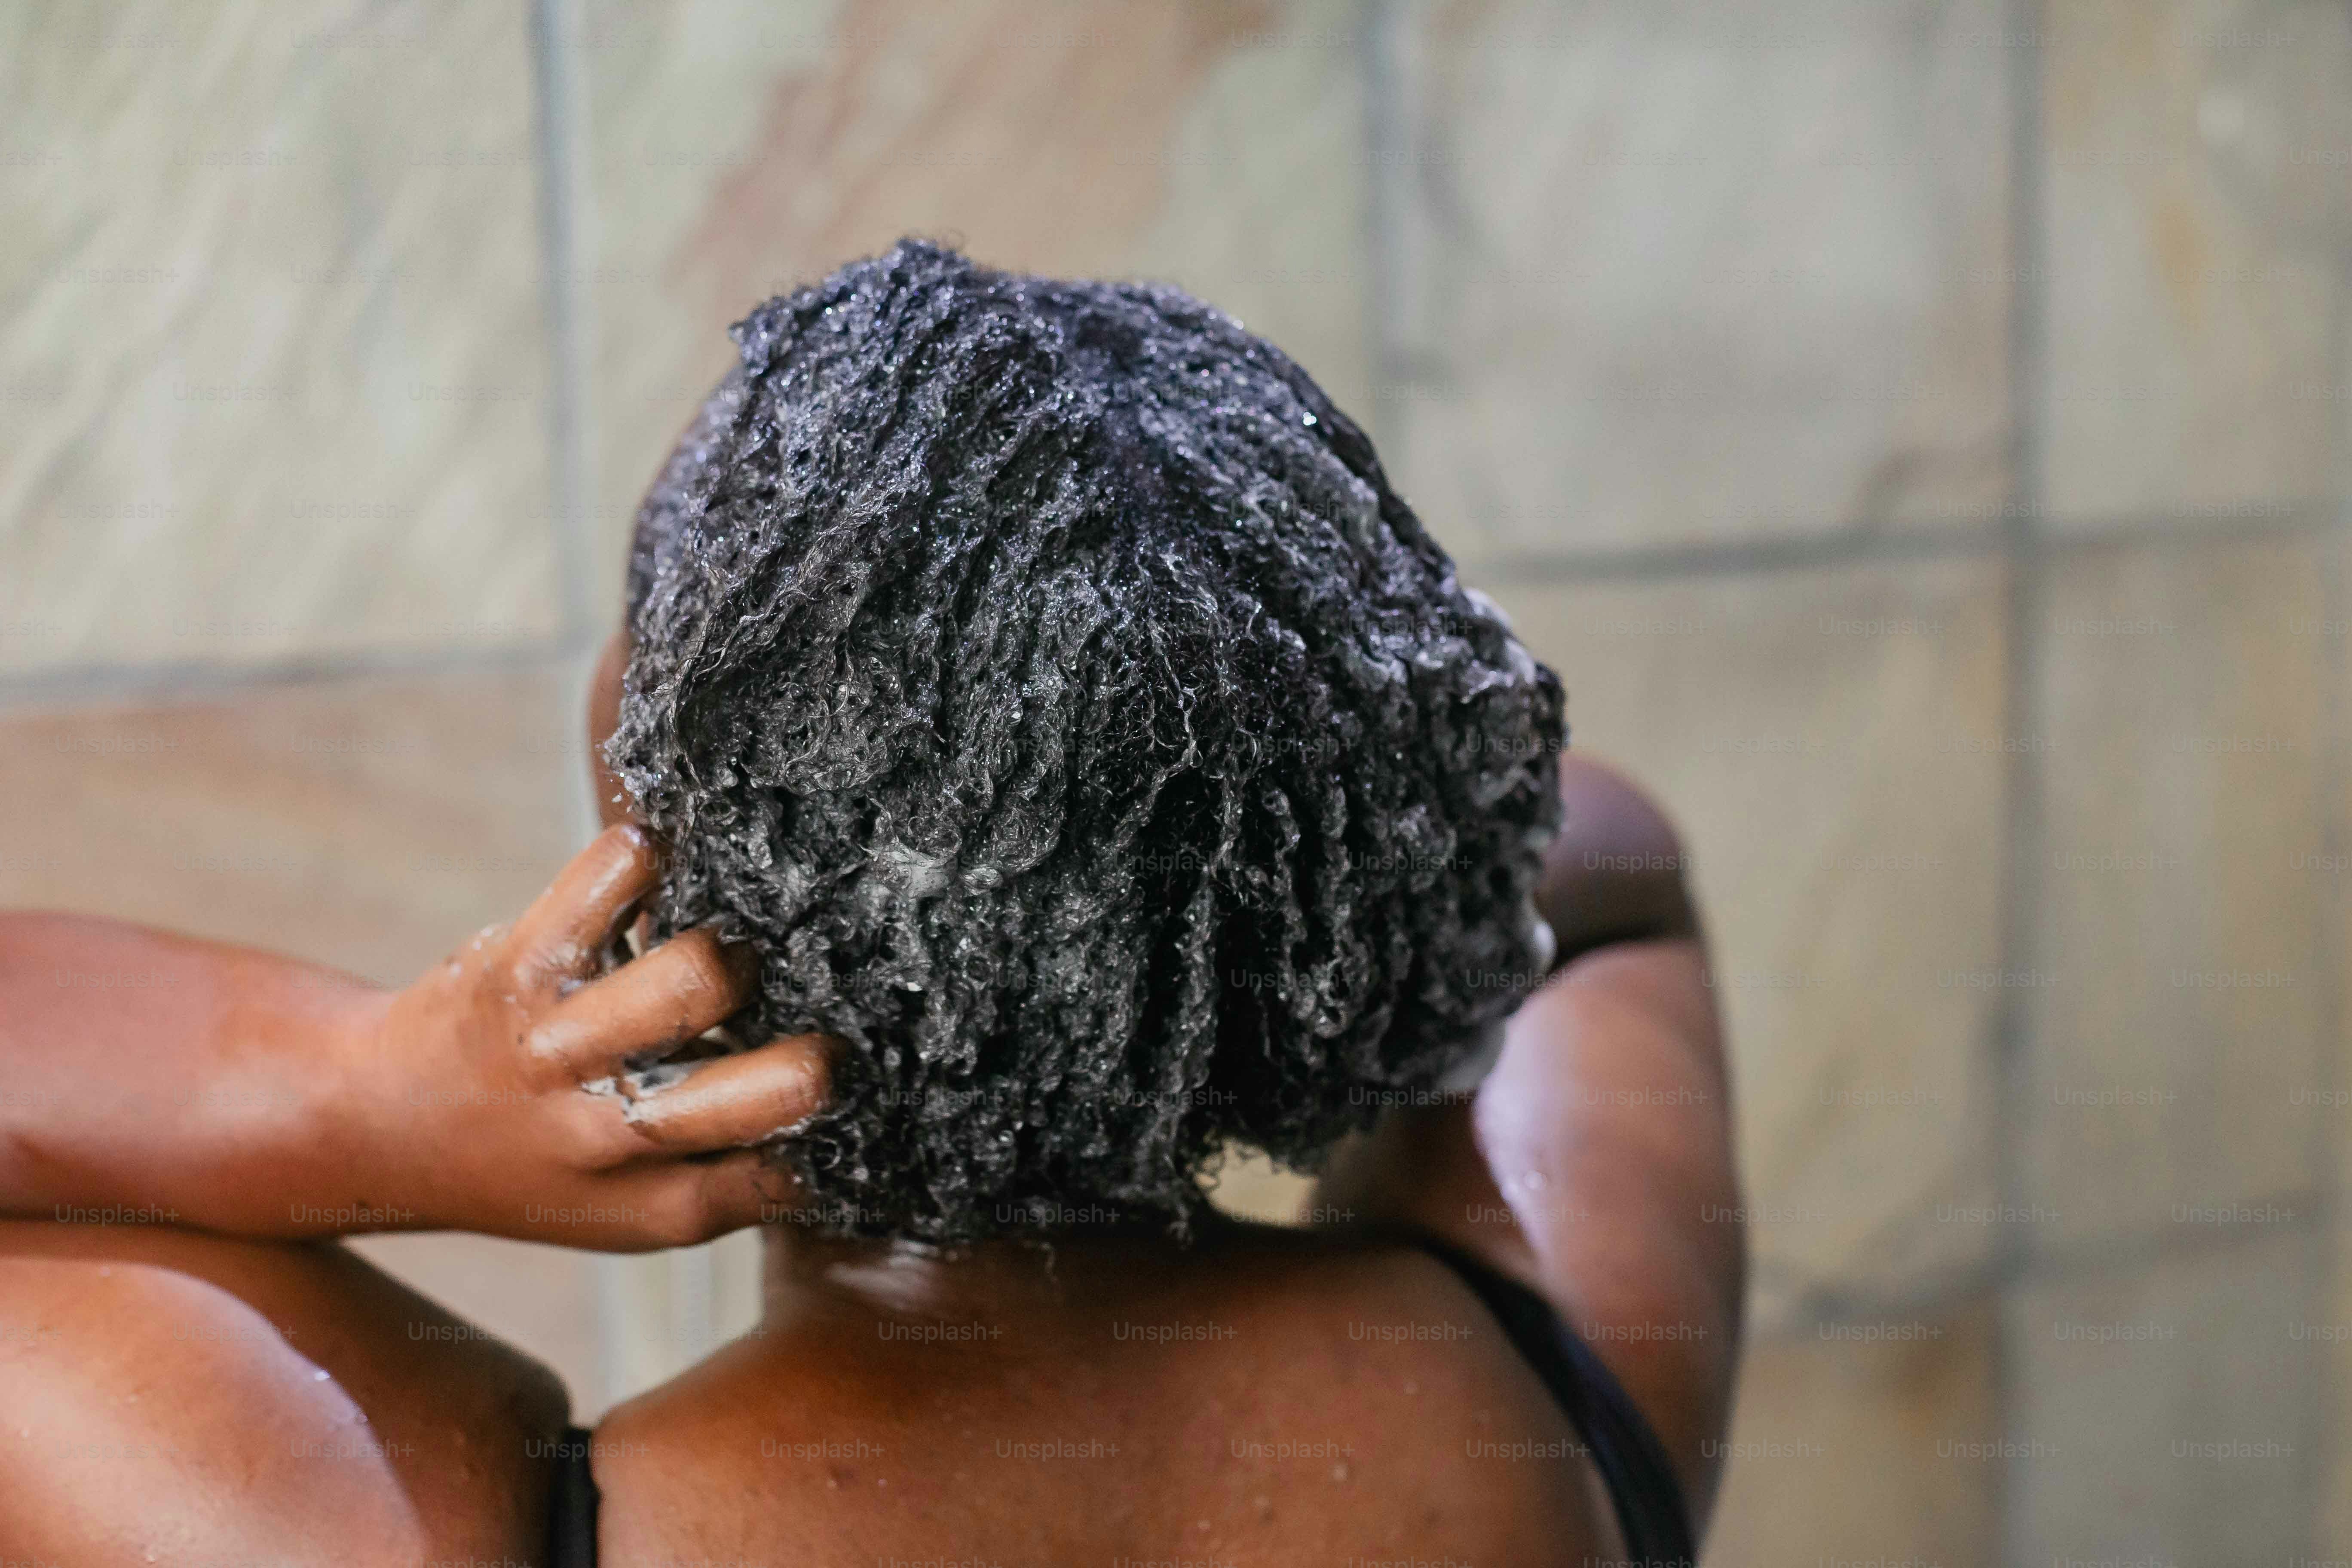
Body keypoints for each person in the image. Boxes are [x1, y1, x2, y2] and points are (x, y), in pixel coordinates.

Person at [0, 243, 1743, 1566]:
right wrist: (1334, 840)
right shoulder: (1556, 1389)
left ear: (654, 809)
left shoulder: (362, 1522)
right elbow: (1620, 867)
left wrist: (358, 1089)